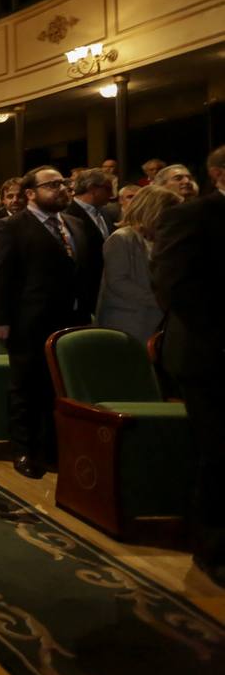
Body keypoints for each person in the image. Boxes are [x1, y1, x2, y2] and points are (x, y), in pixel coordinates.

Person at [0, 167, 98, 479]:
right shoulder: (11, 226)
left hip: (71, 319)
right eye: (52, 185)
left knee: (58, 386)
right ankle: (23, 448)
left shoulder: (75, 224)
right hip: (28, 320)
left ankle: (51, 448)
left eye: (63, 183)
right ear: (30, 193)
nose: (61, 189)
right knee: (26, 387)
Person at [152, 149, 225, 587]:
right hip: (209, 354)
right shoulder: (194, 216)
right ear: (218, 173)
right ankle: (213, 549)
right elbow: (173, 286)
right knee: (219, 453)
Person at [96, 185, 180, 347]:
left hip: (154, 319)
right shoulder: (122, 238)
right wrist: (159, 300)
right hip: (128, 322)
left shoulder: (159, 239)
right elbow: (118, 283)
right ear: (153, 210)